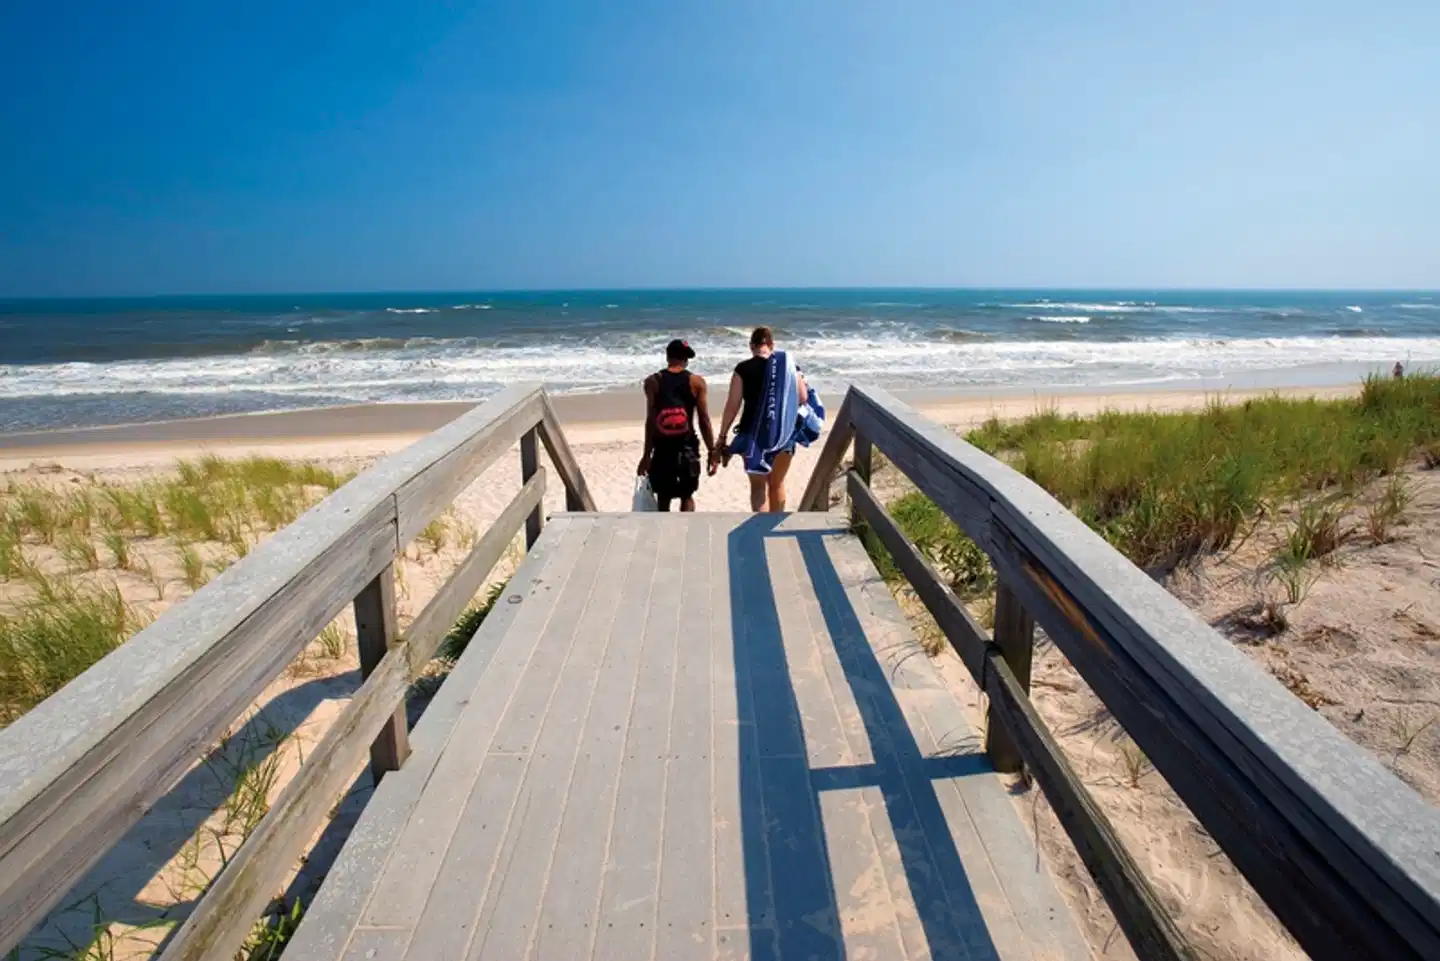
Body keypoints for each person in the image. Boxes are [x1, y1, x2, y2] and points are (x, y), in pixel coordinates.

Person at [712, 326, 811, 512]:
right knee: (777, 483)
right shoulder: (789, 368)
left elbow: (733, 405)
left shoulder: (743, 369)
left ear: (752, 346)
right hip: (782, 433)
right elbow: (803, 397)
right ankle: (772, 535)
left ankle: (758, 532)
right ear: (771, 345)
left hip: (752, 435)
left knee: (758, 486)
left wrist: (723, 436)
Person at [637, 339, 716, 512]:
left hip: (662, 448)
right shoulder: (696, 382)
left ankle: (663, 534)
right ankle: (687, 532)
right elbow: (704, 420)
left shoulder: (653, 381)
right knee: (687, 495)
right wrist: (712, 451)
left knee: (663, 498)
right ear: (685, 360)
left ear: (667, 357)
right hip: (687, 448)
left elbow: (650, 420)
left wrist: (646, 455)